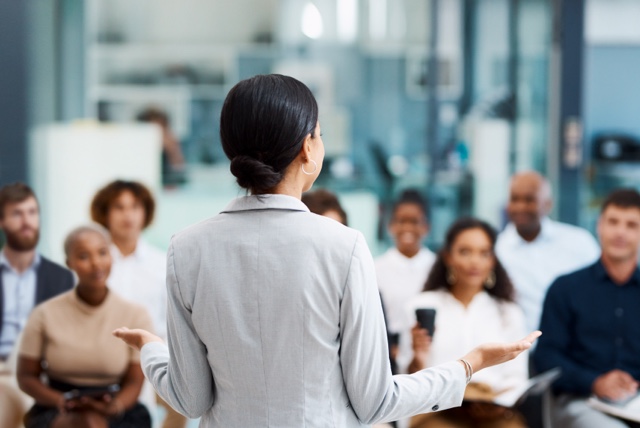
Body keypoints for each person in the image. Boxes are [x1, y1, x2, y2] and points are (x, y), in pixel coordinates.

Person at [113, 74, 539, 427]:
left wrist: (153, 349)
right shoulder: (345, 246)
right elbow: (375, 401)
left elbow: (190, 400)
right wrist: (469, 364)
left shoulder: (185, 249)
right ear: (307, 149)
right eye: (319, 133)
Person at [17, 224, 154, 428]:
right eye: (83, 256)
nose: (96, 263)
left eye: (102, 253)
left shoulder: (136, 315)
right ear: (69, 263)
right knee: (83, 422)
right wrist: (60, 401)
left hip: (115, 407)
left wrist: (115, 406)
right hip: (56, 405)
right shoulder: (44, 314)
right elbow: (27, 376)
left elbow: (134, 382)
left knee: (91, 421)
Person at [407, 218, 528, 428]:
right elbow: (405, 379)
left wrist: (500, 403)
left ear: (493, 260)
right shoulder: (423, 305)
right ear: (448, 257)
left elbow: (516, 377)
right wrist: (418, 358)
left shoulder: (508, 312)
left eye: (484, 253)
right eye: (465, 252)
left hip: (493, 409)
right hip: (438, 408)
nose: (475, 261)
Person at [534, 189, 640, 428]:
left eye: (632, 225)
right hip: (580, 401)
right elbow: (546, 358)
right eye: (613, 222)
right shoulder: (565, 289)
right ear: (599, 225)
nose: (621, 232)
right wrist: (595, 382)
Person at [90, 180, 187, 428]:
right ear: (105, 213)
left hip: (152, 360)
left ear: (145, 213)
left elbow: (173, 321)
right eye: (119, 207)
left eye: (134, 207)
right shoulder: (91, 263)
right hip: (101, 361)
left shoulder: (162, 263)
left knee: (182, 406)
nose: (128, 215)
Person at [0, 183, 74, 427]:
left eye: (32, 213)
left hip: (42, 376)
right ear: (2, 222)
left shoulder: (61, 277)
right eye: (17, 214)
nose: (26, 221)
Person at [495, 171, 600, 333]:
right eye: (514, 199)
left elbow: (600, 290)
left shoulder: (579, 243)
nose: (520, 206)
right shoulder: (496, 250)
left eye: (529, 199)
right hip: (520, 351)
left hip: (573, 347)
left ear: (548, 204)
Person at [376, 189, 435, 373]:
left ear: (426, 227)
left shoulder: (436, 267)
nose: (408, 227)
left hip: (429, 355)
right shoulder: (376, 268)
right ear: (391, 226)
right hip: (386, 356)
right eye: (401, 221)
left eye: (415, 221)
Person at [137, 107, 187, 186]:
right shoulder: (136, 151)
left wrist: (173, 149)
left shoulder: (171, 144)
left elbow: (180, 171)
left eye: (162, 129)